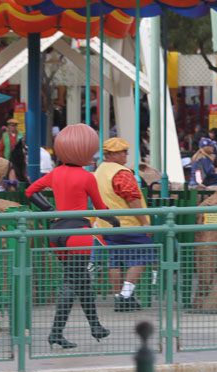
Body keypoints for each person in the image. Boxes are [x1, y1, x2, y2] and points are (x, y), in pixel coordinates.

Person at [26, 123, 115, 349]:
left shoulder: (56, 173)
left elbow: (30, 191)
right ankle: (55, 332)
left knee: (81, 280)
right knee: (72, 282)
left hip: (56, 233)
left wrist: (48, 210)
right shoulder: (87, 178)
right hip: (78, 233)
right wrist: (116, 221)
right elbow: (100, 208)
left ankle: (96, 327)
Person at [94, 137, 155, 312]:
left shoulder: (99, 171)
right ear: (112, 154)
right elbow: (132, 198)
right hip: (128, 223)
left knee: (116, 261)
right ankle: (125, 296)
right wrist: (145, 222)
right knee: (142, 255)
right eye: (123, 151)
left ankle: (118, 297)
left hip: (107, 224)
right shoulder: (121, 172)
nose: (126, 154)